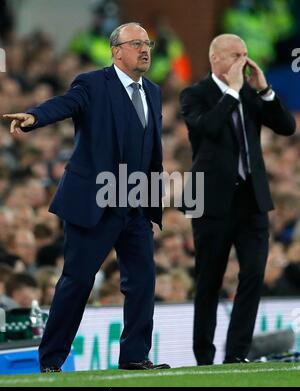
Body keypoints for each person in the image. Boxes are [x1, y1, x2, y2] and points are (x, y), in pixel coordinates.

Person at [3, 22, 170, 372]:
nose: (145, 49)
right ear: (116, 51)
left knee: (142, 282)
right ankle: (50, 360)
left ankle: (134, 356)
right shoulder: (92, 83)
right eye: (136, 43)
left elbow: (151, 152)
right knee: (77, 282)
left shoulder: (153, 91)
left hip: (136, 204)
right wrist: (34, 116)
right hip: (96, 202)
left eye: (148, 43)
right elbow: (66, 104)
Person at [180, 34, 296, 365]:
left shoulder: (250, 93)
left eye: (246, 54)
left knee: (254, 273)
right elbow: (209, 129)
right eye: (236, 55)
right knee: (209, 280)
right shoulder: (195, 94)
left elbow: (286, 127)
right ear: (216, 59)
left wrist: (264, 90)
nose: (243, 61)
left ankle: (236, 354)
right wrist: (232, 91)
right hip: (212, 201)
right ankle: (204, 356)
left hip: (252, 200)